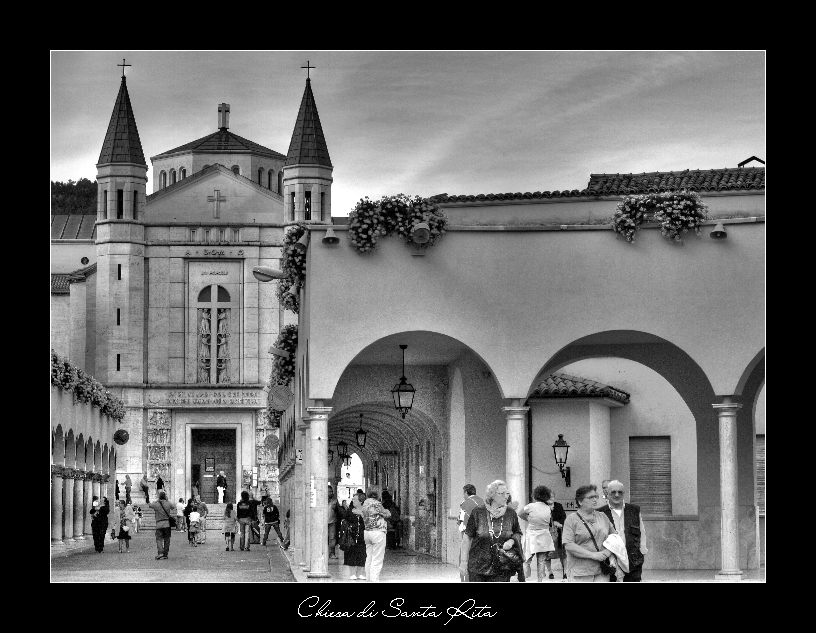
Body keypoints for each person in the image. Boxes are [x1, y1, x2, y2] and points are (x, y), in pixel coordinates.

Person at [460, 480, 523, 582]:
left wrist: (511, 542)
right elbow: (467, 537)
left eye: (507, 493)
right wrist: (463, 562)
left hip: (502, 566)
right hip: (478, 567)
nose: (506, 497)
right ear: (492, 495)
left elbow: (517, 533)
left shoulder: (511, 513)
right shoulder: (478, 512)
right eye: (502, 494)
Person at [596, 480, 648, 582]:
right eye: (613, 492)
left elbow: (641, 531)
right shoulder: (600, 512)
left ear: (624, 493)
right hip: (610, 562)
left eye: (620, 492)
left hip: (633, 560)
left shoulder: (634, 510)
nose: (617, 495)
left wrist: (642, 551)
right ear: (607, 494)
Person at [562, 484, 615, 582]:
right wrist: (593, 555)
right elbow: (569, 545)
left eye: (596, 497)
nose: (595, 500)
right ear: (580, 501)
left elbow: (615, 537)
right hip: (580, 574)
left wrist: (607, 552)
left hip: (602, 571)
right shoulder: (571, 520)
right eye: (591, 497)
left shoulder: (603, 516)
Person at [519, 485, 556, 582]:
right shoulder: (548, 508)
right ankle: (540, 580)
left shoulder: (530, 506)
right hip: (544, 535)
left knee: (527, 559)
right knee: (541, 561)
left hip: (531, 534)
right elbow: (550, 521)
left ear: (535, 495)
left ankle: (525, 578)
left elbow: (520, 513)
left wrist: (528, 519)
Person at [457, 484, 485, 582]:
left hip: (470, 537)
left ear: (465, 492)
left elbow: (462, 525)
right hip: (482, 538)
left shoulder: (465, 503)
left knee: (466, 560)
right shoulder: (483, 502)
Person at [361, 491, 391, 582]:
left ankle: (368, 578)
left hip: (367, 532)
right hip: (378, 532)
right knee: (377, 558)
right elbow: (387, 514)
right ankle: (374, 580)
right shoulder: (377, 504)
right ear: (378, 496)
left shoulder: (365, 504)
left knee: (369, 557)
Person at [341, 491, 367, 580]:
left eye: (355, 499)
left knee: (362, 553)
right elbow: (344, 520)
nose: (353, 501)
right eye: (353, 499)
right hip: (351, 536)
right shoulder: (349, 511)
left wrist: (362, 515)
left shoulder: (365, 511)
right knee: (351, 553)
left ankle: (360, 573)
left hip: (363, 536)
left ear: (361, 501)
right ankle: (352, 573)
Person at [149, 491, 176, 560]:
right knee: (167, 539)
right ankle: (165, 554)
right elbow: (173, 507)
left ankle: (160, 552)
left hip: (159, 524)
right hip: (167, 524)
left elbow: (150, 505)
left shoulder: (156, 504)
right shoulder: (168, 503)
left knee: (159, 539)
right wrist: (167, 500)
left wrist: (157, 500)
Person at [547, 498, 568, 579]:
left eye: (552, 496)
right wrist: (552, 523)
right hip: (548, 533)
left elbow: (564, 516)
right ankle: (550, 572)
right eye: (549, 496)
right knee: (548, 554)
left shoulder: (558, 506)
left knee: (562, 553)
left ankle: (565, 572)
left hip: (559, 532)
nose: (551, 498)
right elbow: (542, 519)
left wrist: (560, 523)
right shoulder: (544, 506)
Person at [327, 485, 339, 559]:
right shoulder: (320, 500)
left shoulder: (335, 501)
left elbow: (339, 511)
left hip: (332, 522)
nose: (331, 493)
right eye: (330, 492)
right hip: (323, 522)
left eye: (332, 492)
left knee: (332, 538)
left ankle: (332, 553)